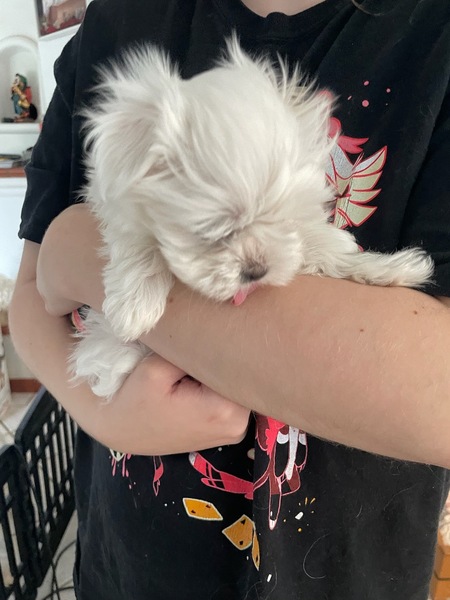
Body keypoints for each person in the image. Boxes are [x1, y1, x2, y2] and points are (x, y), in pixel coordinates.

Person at [9, 0, 450, 598]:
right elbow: (34, 298)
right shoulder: (118, 23)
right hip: (132, 571)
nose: (255, 264)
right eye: (218, 231)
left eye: (275, 221)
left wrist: (82, 254)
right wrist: (104, 414)